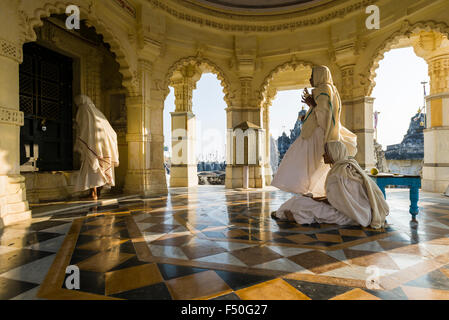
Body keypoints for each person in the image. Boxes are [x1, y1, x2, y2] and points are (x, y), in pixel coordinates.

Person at [271, 65, 357, 197]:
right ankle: (314, 192)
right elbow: (321, 113)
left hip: (317, 135)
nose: (310, 79)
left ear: (320, 75)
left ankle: (313, 191)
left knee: (309, 166)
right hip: (314, 134)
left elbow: (324, 115)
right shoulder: (327, 89)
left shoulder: (324, 89)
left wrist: (311, 104)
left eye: (312, 76)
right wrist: (309, 111)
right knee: (310, 166)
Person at [272, 140, 389, 229]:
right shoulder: (347, 166)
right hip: (360, 212)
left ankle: (286, 214)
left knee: (300, 202)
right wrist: (317, 198)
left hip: (348, 216)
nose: (323, 155)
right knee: (304, 200)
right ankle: (288, 214)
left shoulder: (338, 174)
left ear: (334, 153)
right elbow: (341, 199)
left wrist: (317, 200)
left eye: (326, 152)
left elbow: (336, 203)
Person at [74, 95, 119, 200]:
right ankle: (97, 192)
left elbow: (84, 127)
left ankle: (93, 194)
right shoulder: (96, 111)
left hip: (93, 143)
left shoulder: (84, 109)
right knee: (101, 169)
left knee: (93, 168)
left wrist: (81, 141)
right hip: (105, 144)